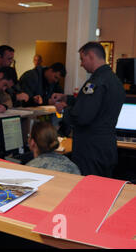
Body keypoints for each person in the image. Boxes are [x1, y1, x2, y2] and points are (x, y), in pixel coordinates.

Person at [51, 42, 125, 177]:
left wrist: (63, 110)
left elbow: (82, 116)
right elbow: (95, 104)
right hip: (107, 145)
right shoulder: (115, 81)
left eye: (82, 59)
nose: (81, 64)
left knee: (88, 189)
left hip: (90, 148)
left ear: (91, 56)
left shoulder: (96, 82)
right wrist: (67, 98)